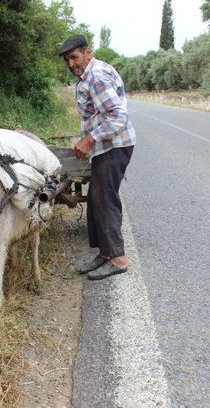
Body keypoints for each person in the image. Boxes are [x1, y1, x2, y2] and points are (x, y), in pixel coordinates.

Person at [58, 34, 136, 280]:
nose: (71, 64)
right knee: (96, 198)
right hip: (106, 147)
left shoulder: (96, 76)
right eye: (67, 60)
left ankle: (118, 259)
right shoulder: (88, 76)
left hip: (114, 146)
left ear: (87, 53)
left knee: (105, 199)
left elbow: (117, 116)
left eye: (74, 57)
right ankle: (105, 254)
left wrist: (89, 139)